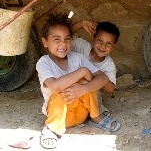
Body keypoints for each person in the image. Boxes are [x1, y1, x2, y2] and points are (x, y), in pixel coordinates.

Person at [36, 14, 120, 149]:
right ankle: (50, 128)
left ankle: (96, 117)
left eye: (67, 39)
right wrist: (83, 72)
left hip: (82, 114)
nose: (63, 44)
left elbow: (104, 78)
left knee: (88, 83)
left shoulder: (78, 58)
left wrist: (83, 89)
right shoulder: (43, 63)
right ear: (45, 42)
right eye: (56, 40)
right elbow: (56, 86)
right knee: (70, 85)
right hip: (60, 117)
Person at [70, 20, 120, 115]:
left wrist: (96, 76)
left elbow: (110, 89)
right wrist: (81, 24)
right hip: (71, 90)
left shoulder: (109, 65)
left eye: (108, 43)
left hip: (90, 95)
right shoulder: (81, 46)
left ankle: (92, 114)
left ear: (114, 46)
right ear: (93, 38)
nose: (103, 46)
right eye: (100, 40)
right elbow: (64, 35)